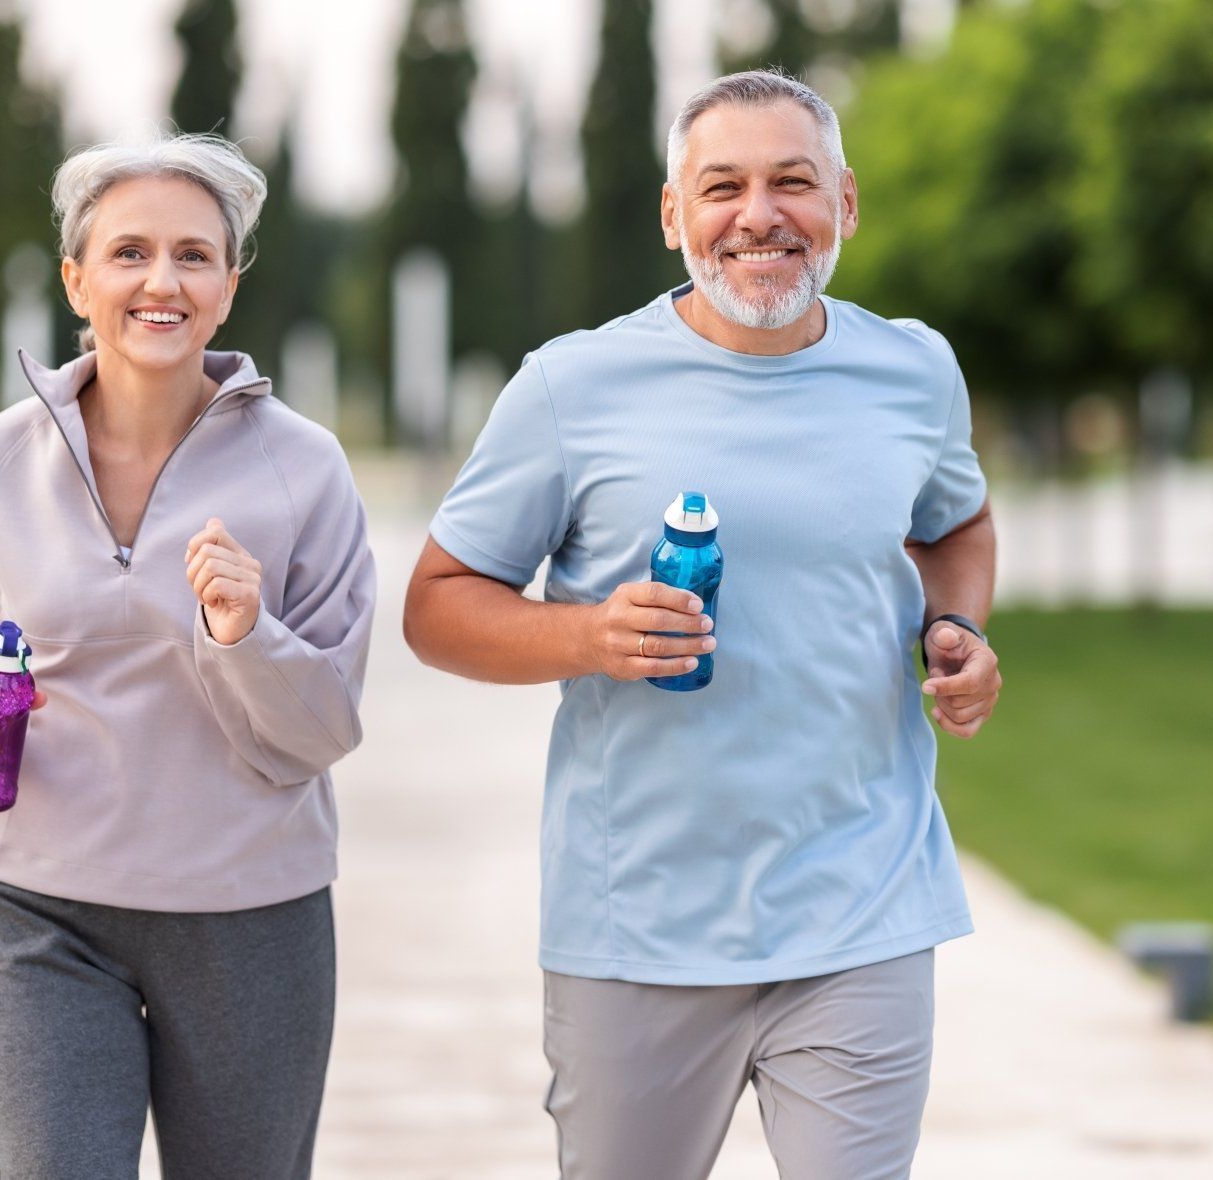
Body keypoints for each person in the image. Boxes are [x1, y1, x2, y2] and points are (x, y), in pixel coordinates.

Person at [403, 71, 1001, 1180]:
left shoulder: (913, 369)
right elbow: (436, 607)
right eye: (721, 186)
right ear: (674, 215)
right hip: (641, 925)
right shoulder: (570, 387)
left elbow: (957, 520)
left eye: (793, 182)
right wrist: (585, 637)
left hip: (861, 904)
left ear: (846, 204)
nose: (758, 215)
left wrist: (955, 627)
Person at [0, 132, 374, 1179]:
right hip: (34, 910)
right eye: (129, 252)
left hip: (252, 919)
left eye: (195, 255)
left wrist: (245, 634)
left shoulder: (305, 470)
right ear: (76, 278)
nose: (163, 280)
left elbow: (325, 724)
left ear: (230, 286)